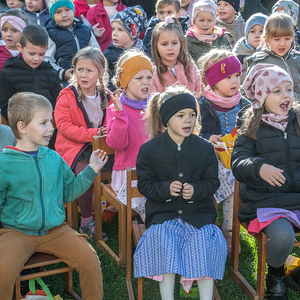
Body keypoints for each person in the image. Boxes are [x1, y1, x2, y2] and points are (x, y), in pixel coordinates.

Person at [0, 92, 107, 300]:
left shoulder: (53, 158)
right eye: (44, 123)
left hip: (56, 230)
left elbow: (69, 193)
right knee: (3, 271)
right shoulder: (4, 164)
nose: (52, 128)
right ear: (22, 127)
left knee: (90, 260)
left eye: (51, 121)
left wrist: (92, 168)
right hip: (17, 233)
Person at [134, 85, 227, 300]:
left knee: (205, 243)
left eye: (193, 115)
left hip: (198, 217)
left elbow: (212, 182)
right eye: (181, 115)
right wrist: (166, 189)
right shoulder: (149, 150)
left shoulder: (205, 148)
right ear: (167, 120)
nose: (189, 120)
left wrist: (196, 190)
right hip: (163, 216)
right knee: (164, 242)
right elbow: (145, 185)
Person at [231, 63, 300, 300]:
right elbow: (238, 162)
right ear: (261, 97)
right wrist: (259, 167)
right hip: (266, 202)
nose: (286, 96)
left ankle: (297, 273)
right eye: (277, 91)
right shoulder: (252, 127)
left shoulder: (298, 121)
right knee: (283, 236)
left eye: (289, 90)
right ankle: (276, 276)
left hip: (297, 198)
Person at [55, 46, 110, 240]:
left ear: (100, 73)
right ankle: (86, 220)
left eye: (89, 70)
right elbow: (64, 127)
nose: (83, 75)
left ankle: (115, 208)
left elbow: (112, 121)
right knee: (85, 171)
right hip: (75, 148)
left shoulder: (106, 95)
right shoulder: (67, 96)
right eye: (79, 69)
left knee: (123, 164)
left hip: (101, 145)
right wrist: (93, 134)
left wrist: (106, 132)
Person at [197, 49, 250, 252]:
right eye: (228, 77)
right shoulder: (202, 105)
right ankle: (213, 228)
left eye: (237, 75)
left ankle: (229, 229)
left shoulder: (244, 105)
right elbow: (192, 133)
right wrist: (206, 139)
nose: (235, 81)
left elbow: (252, 132)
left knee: (234, 176)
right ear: (214, 81)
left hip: (236, 158)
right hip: (210, 162)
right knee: (229, 179)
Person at [106, 50, 153, 218]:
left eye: (149, 77)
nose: (145, 82)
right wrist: (120, 116)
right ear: (125, 81)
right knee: (153, 202)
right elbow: (117, 144)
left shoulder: (154, 106)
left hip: (154, 169)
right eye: (139, 78)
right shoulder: (116, 109)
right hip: (129, 173)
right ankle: (150, 235)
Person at [0, 24, 61, 121]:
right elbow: (5, 108)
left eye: (41, 54)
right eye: (32, 54)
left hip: (48, 126)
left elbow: (58, 104)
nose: (36, 59)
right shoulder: (7, 73)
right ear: (20, 48)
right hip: (21, 128)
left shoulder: (51, 73)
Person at [45, 0, 99, 86]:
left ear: (73, 10)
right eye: (58, 12)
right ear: (52, 15)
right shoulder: (50, 34)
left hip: (88, 78)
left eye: (67, 10)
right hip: (66, 82)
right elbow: (47, 60)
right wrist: (62, 74)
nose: (64, 15)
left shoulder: (85, 29)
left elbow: (96, 51)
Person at [246, 12, 300, 99]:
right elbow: (249, 94)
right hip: (269, 112)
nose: (282, 43)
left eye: (287, 38)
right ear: (266, 39)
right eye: (277, 39)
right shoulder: (259, 63)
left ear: (292, 38)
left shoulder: (297, 59)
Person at [151, 16, 201, 97]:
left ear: (181, 43)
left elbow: (199, 93)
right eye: (164, 44)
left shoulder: (190, 66)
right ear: (156, 46)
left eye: (174, 43)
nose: (170, 48)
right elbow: (152, 101)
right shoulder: (153, 72)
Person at [103, 5, 148, 92]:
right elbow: (102, 78)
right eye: (113, 29)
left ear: (133, 33)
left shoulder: (144, 55)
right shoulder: (107, 55)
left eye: (120, 30)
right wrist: (112, 90)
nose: (114, 33)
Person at [233, 12, 268, 83]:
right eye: (252, 31)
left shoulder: (272, 52)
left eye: (261, 31)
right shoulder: (238, 54)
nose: (257, 35)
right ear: (246, 34)